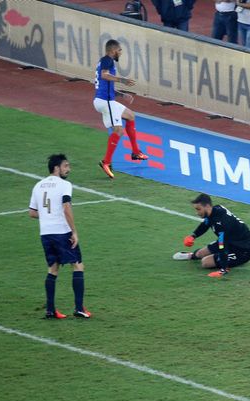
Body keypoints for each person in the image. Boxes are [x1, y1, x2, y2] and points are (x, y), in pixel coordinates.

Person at [29, 154, 90, 319]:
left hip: (46, 233)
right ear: (57, 167)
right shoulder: (64, 185)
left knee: (53, 269)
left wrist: (48, 216)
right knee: (78, 266)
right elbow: (66, 207)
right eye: (66, 166)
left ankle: (50, 310)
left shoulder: (38, 186)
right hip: (62, 232)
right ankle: (79, 308)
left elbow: (32, 213)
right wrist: (74, 232)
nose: (68, 169)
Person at [93, 39, 149, 180]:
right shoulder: (108, 61)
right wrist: (123, 80)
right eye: (119, 50)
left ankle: (135, 152)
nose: (120, 53)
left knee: (130, 116)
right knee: (119, 130)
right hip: (105, 102)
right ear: (113, 50)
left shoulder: (104, 62)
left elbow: (106, 84)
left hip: (105, 100)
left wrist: (121, 94)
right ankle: (106, 162)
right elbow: (104, 76)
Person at [172, 193, 250, 278]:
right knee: (200, 253)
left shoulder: (221, 224)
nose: (197, 213)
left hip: (243, 250)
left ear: (207, 206)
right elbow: (205, 224)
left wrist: (223, 270)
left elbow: (222, 246)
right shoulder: (215, 210)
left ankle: (225, 267)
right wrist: (193, 236)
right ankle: (192, 255)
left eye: (198, 209)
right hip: (232, 241)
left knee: (205, 262)